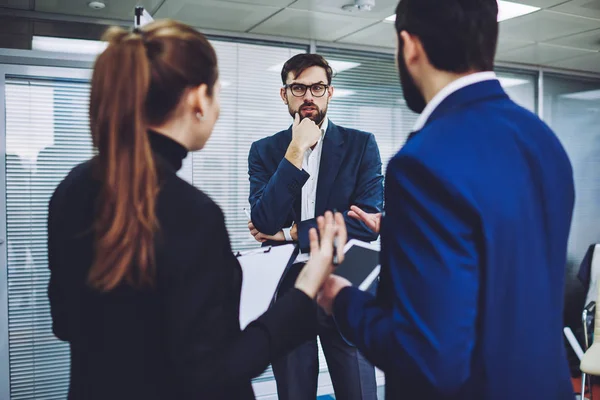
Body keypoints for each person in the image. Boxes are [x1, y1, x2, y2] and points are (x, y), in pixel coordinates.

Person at [46, 20, 346, 400]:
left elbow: (65, 322)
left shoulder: (71, 189)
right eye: (217, 92)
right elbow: (216, 372)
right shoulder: (190, 214)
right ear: (197, 100)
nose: (218, 108)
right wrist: (306, 291)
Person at [317, 0, 576, 399]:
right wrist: (403, 232)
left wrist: (341, 299)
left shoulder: (423, 161)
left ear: (409, 46)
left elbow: (427, 359)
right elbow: (506, 249)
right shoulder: (542, 140)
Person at [247, 53, 382, 400]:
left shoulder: (360, 144)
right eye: (299, 87)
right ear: (285, 93)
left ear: (330, 92)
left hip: (345, 281)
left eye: (317, 87)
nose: (309, 96)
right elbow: (264, 221)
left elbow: (365, 223)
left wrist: (292, 233)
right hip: (288, 291)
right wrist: (296, 150)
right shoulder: (265, 151)